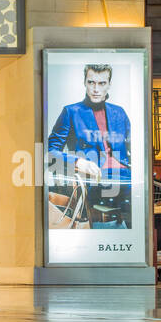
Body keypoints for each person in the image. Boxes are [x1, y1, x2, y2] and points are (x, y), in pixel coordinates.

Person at [46, 63, 133, 228]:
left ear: (109, 84)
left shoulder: (119, 113)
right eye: (91, 82)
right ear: (84, 82)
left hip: (126, 180)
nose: (96, 89)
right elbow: (51, 152)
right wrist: (79, 162)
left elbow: (134, 149)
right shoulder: (71, 112)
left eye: (102, 83)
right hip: (94, 181)